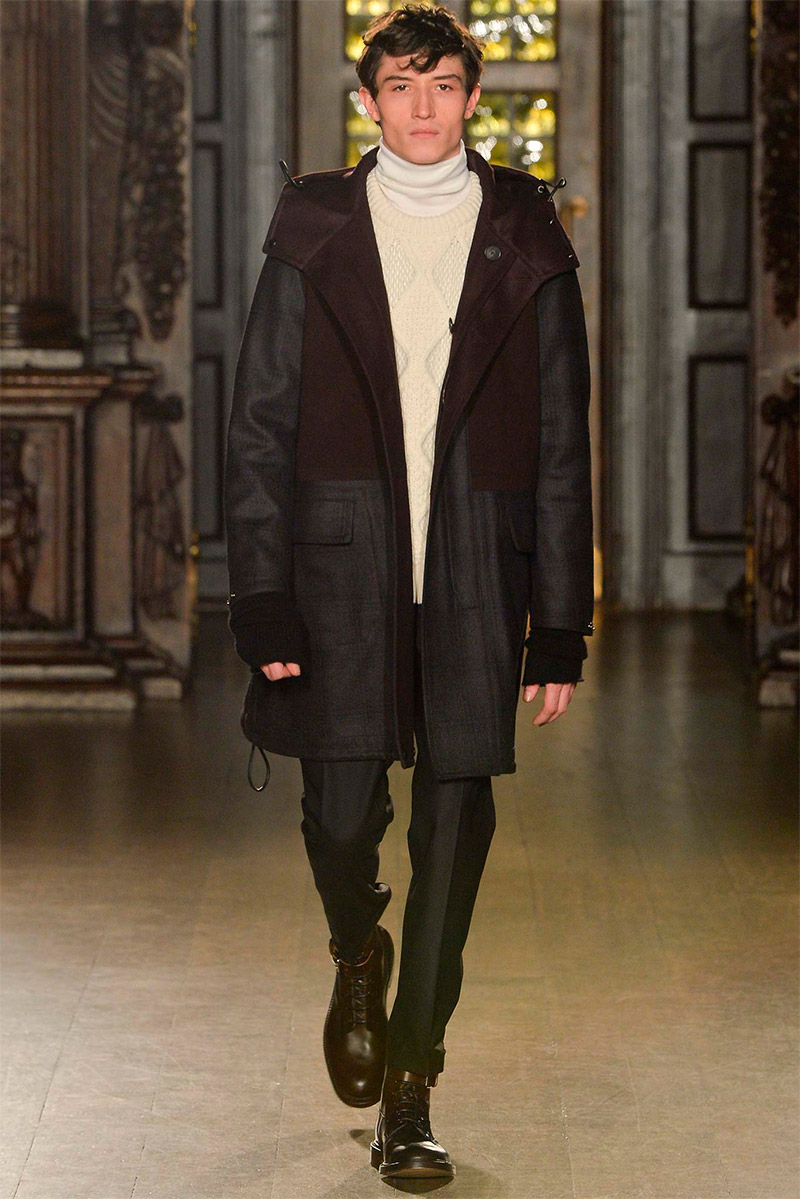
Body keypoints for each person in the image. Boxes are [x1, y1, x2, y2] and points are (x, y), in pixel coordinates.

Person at [224, 2, 593, 1182]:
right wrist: (260, 596)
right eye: (400, 85)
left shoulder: (526, 230)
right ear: (368, 101)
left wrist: (560, 627)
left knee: (454, 826)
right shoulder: (314, 227)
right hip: (339, 564)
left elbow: (561, 443)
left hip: (480, 566)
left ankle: (412, 1082)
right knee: (339, 817)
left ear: (471, 98)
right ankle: (355, 947)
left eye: (442, 85)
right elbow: (259, 424)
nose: (422, 106)